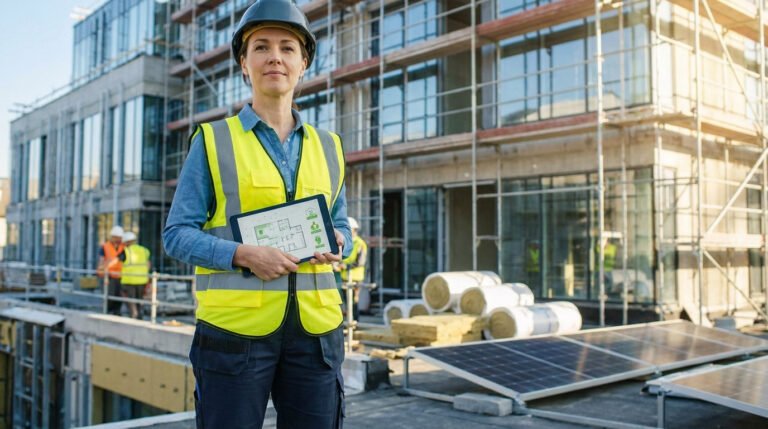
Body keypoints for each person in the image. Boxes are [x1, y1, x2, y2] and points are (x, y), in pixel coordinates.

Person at [162, 1, 352, 427]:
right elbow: (176, 234)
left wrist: (340, 240)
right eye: (261, 47)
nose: (275, 57)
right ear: (244, 65)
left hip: (317, 333)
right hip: (235, 334)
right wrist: (244, 255)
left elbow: (341, 224)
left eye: (287, 48)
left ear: (303, 63)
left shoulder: (330, 146)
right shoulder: (213, 140)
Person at [340, 217, 367, 319]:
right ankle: (349, 322)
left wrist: (345, 266)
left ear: (354, 229)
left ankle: (354, 323)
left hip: (355, 278)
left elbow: (360, 262)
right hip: (345, 276)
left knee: (353, 302)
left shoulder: (360, 243)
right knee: (347, 302)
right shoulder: (345, 242)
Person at [119, 232, 151, 319]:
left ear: (127, 242)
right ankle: (139, 314)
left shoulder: (126, 251)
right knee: (139, 298)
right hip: (142, 280)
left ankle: (134, 313)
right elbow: (148, 264)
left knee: (129, 298)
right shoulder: (144, 250)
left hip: (129, 280)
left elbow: (117, 261)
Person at [98, 225, 125, 315]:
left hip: (120, 275)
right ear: (112, 237)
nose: (118, 239)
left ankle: (117, 311)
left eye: (120, 238)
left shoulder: (123, 246)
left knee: (119, 295)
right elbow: (101, 260)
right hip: (108, 274)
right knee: (109, 294)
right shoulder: (105, 246)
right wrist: (102, 271)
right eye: (117, 237)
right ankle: (107, 311)